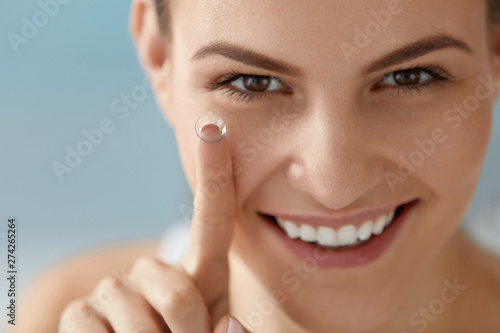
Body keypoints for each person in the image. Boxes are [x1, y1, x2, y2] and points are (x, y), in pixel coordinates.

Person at [13, 0, 500, 332]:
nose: (336, 186)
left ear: (496, 51)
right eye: (253, 83)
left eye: (408, 76)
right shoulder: (58, 314)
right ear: (159, 57)